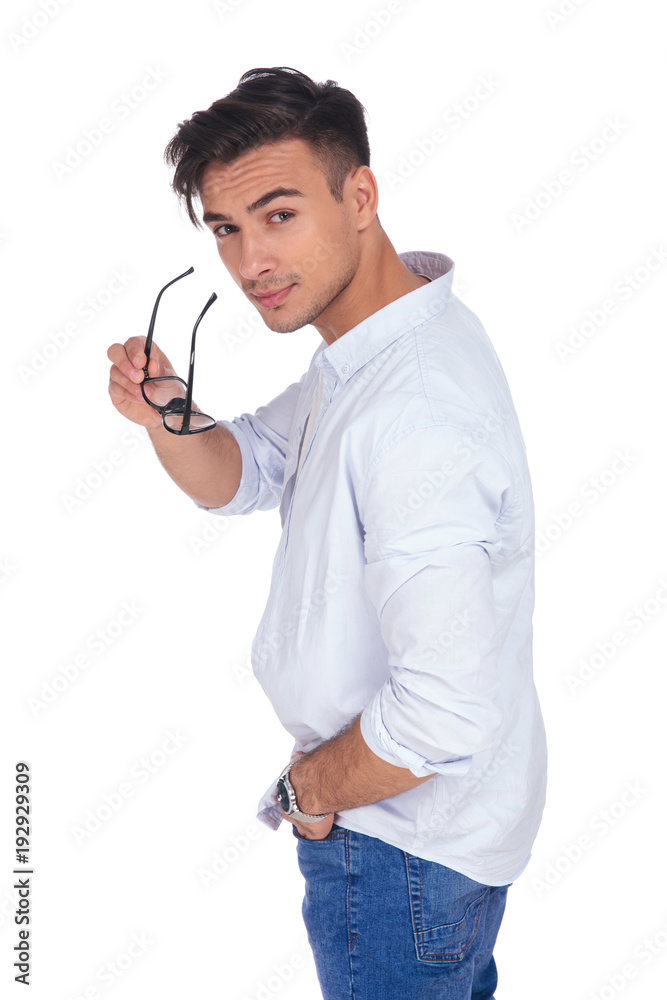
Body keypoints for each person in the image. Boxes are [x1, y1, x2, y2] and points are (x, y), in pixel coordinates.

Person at [107, 66, 547, 1000]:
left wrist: (307, 796)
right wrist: (166, 414)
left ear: (360, 195)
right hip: (433, 835)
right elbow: (245, 474)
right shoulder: (372, 352)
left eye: (277, 215)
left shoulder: (413, 405)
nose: (248, 260)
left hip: (399, 844)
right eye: (225, 229)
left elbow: (443, 709)